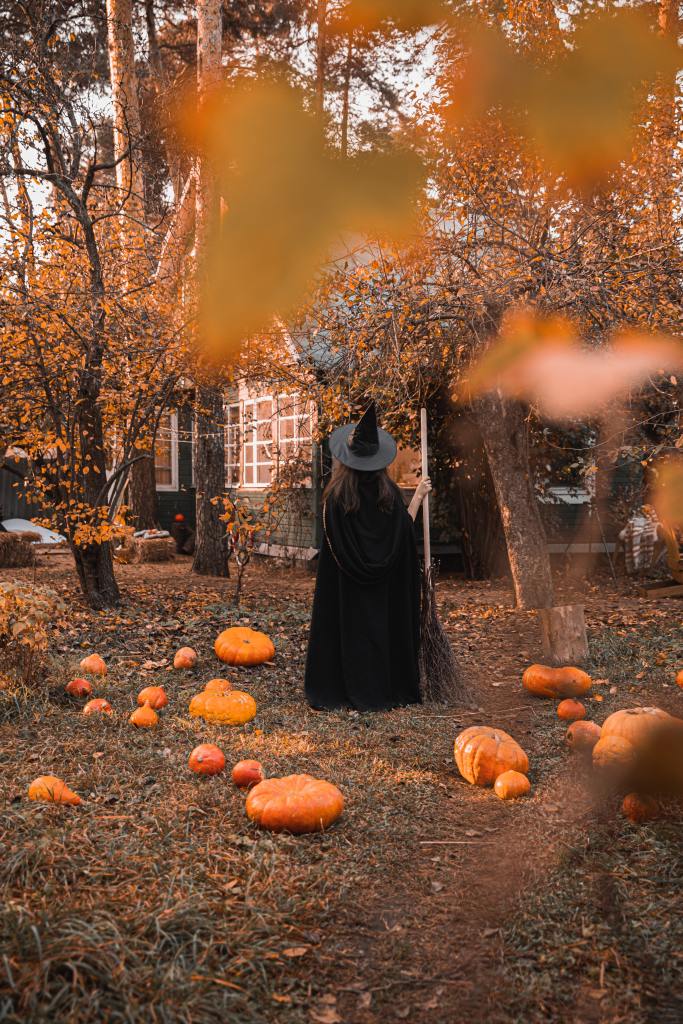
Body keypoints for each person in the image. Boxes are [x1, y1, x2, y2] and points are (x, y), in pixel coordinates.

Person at [305, 403, 432, 712]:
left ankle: (342, 687)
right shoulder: (387, 493)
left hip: (346, 593)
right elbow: (402, 535)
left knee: (351, 631)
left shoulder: (336, 498)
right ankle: (385, 687)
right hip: (385, 590)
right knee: (379, 631)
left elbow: (335, 550)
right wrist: (416, 497)